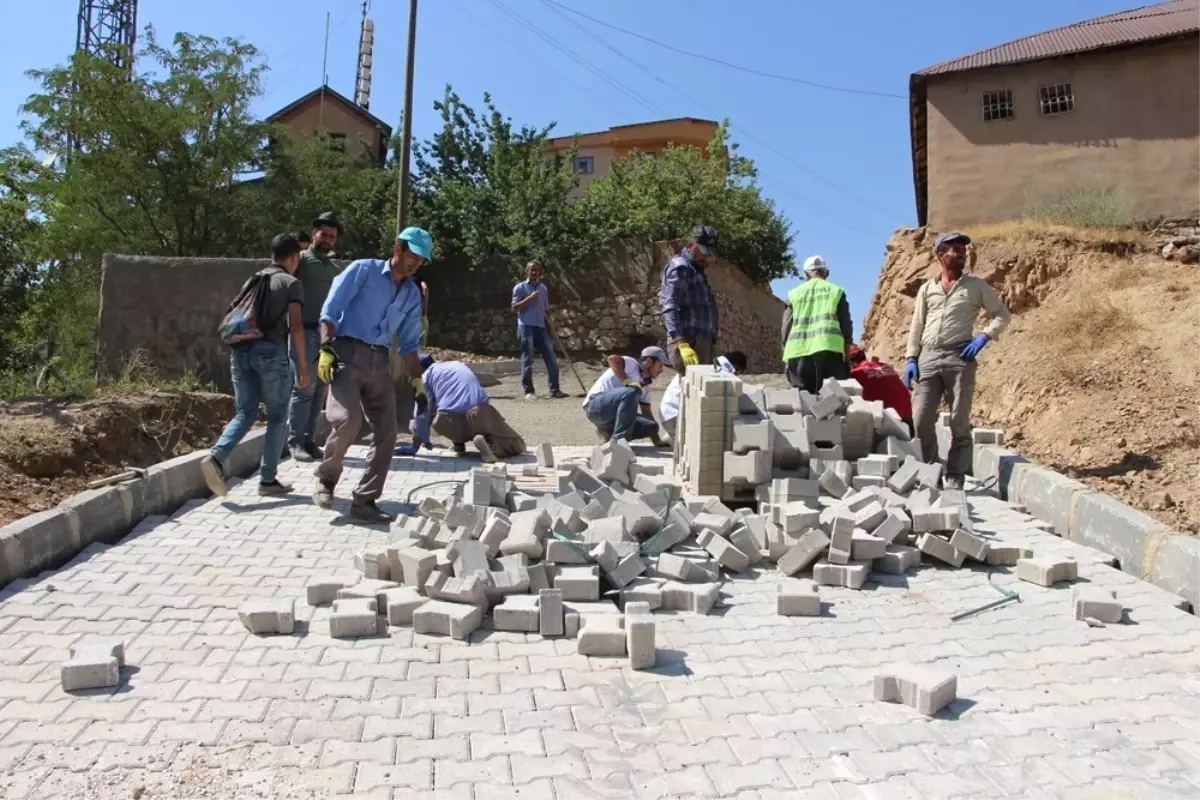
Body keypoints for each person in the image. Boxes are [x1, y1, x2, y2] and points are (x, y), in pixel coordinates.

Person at [313, 226, 433, 522]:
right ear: (397, 249)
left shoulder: (411, 296)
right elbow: (331, 309)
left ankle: (365, 500)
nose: (416, 264)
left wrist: (417, 381)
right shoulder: (363, 271)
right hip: (347, 355)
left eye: (421, 261)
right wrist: (326, 348)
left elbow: (408, 344)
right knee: (348, 420)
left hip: (380, 363)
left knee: (389, 432)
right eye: (413, 257)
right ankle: (327, 480)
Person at [202, 234, 309, 497]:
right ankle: (267, 480)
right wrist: (303, 366)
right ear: (293, 257)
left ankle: (215, 457)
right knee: (277, 416)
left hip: (240, 352)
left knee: (245, 412)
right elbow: (295, 326)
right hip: (270, 353)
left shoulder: (254, 279)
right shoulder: (291, 282)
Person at [904, 231, 1012, 489]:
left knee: (959, 421)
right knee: (920, 419)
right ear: (940, 254)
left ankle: (954, 476)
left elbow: (1001, 314)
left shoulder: (976, 286)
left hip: (959, 357)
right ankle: (931, 472)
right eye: (955, 248)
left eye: (964, 249)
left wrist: (983, 338)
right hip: (928, 357)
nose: (962, 253)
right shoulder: (927, 289)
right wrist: (910, 358)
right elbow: (916, 325)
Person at [286, 212, 342, 463]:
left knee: (320, 391)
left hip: (325, 337)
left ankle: (309, 440)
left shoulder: (334, 269)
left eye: (332, 236)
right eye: (323, 234)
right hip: (302, 332)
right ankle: (295, 442)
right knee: (303, 388)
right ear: (313, 235)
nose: (328, 239)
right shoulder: (300, 262)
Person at [401, 355, 526, 463]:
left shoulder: (426, 376)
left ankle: (458, 444)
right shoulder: (460, 366)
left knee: (439, 415)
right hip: (479, 414)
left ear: (420, 368)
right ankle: (490, 445)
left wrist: (416, 444)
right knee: (518, 445)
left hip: (449, 422)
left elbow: (423, 410)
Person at [781, 255, 853, 394]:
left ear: (806, 274)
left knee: (802, 401)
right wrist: (847, 358)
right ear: (826, 273)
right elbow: (846, 328)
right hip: (830, 351)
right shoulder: (836, 291)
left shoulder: (794, 294)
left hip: (798, 352)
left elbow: (785, 329)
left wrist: (786, 353)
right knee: (831, 401)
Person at [660, 225, 719, 376]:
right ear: (690, 245)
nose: (705, 257)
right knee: (693, 390)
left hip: (701, 340)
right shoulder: (681, 268)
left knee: (701, 392)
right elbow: (669, 306)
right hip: (689, 341)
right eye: (702, 252)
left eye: (709, 254)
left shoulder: (696, 269)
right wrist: (680, 343)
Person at [583, 347, 669, 444]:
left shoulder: (646, 386)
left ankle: (608, 433)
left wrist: (657, 441)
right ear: (649, 361)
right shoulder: (631, 364)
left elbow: (646, 412)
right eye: (660, 365)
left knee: (651, 426)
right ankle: (618, 442)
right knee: (633, 390)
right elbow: (612, 359)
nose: (661, 370)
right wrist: (627, 381)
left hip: (614, 418)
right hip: (596, 406)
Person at [658, 351, 747, 442]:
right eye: (739, 373)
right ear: (736, 368)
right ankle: (676, 437)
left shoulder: (713, 365)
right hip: (674, 417)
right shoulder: (722, 373)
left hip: (668, 415)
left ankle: (673, 436)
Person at [512, 260, 567, 400]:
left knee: (551, 358)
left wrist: (550, 330)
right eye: (532, 270)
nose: (535, 272)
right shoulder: (520, 287)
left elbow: (545, 311)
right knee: (528, 359)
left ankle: (555, 390)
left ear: (540, 272)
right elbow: (515, 308)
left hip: (541, 326)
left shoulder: (543, 289)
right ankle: (529, 391)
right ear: (527, 271)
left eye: (537, 270)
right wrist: (529, 298)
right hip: (526, 327)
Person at [848, 344, 913, 432]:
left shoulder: (856, 373)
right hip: (907, 413)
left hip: (889, 419)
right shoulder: (884, 365)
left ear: (852, 362)